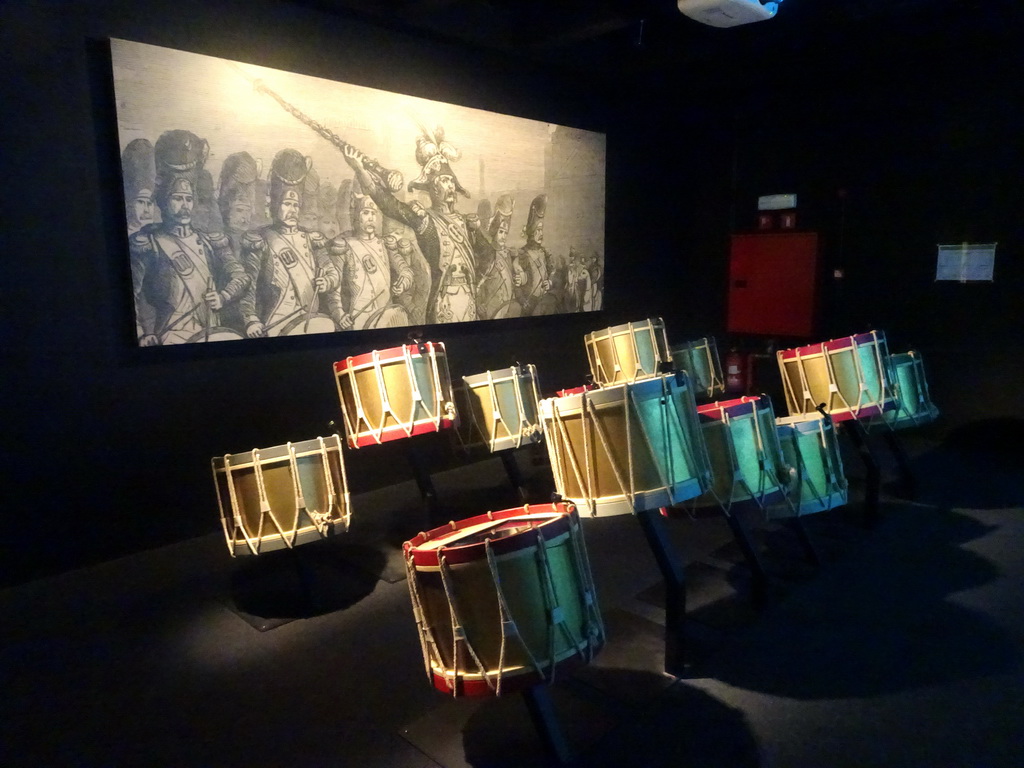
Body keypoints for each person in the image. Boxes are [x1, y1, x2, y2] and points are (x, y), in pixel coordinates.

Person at [340, 126, 487, 324]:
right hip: (443, 302)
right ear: (433, 188)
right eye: (444, 181)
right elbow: (390, 206)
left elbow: (489, 255)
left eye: (452, 181)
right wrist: (360, 169)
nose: (451, 186)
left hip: (469, 299)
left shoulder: (466, 223)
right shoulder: (426, 220)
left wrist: (478, 231)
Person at [129, 130, 250, 345]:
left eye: (188, 199)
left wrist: (222, 297)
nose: (184, 206)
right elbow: (133, 294)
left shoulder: (211, 241)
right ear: (164, 201)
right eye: (177, 199)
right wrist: (142, 333)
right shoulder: (148, 243)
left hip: (211, 332)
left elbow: (241, 277)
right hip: (169, 337)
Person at [240, 149, 339, 337]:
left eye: (295, 205)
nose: (292, 210)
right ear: (276, 205)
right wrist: (250, 319)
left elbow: (332, 272)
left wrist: (327, 281)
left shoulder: (312, 239)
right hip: (276, 326)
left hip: (311, 323)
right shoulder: (261, 239)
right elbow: (249, 286)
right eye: (286, 204)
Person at [328, 192, 413, 329]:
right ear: (356, 216)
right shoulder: (345, 246)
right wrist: (339, 314)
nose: (371, 218)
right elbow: (334, 287)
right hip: (359, 319)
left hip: (387, 317)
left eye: (373, 213)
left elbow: (406, 271)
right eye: (365, 213)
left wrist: (402, 283)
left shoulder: (385, 244)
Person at [475, 194, 520, 319]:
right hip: (490, 312)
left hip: (508, 311)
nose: (504, 236)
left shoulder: (509, 254)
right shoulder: (487, 254)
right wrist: (479, 303)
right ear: (494, 231)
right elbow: (477, 283)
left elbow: (515, 281)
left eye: (506, 232)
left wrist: (520, 279)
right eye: (501, 232)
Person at [514, 194, 560, 315]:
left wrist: (550, 282)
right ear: (531, 232)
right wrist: (524, 302)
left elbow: (554, 273)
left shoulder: (545, 253)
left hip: (545, 304)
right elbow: (517, 287)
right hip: (530, 307)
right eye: (537, 230)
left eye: (541, 230)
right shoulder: (522, 254)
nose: (541, 234)